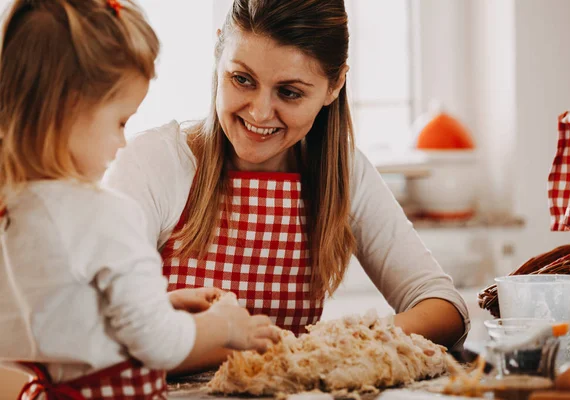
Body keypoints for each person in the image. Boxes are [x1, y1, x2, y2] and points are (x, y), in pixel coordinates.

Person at [104, 0, 469, 365]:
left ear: (334, 86)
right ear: (219, 55)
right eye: (242, 79)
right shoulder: (156, 163)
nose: (260, 112)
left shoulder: (342, 172)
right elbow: (93, 334)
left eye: (290, 92)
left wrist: (348, 342)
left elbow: (445, 307)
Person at [0, 0, 278, 398]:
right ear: (68, 108)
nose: (122, 141)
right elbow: (160, 344)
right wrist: (226, 326)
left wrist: (158, 303)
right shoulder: (102, 213)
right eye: (121, 121)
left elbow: (66, 326)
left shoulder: (12, 209)